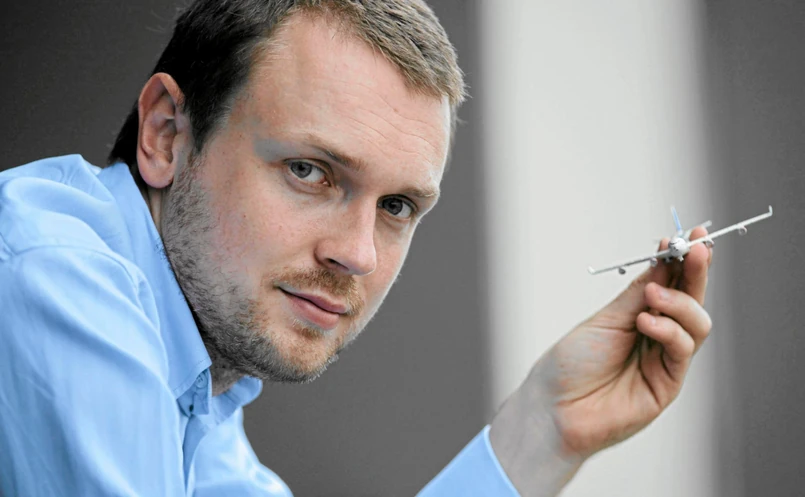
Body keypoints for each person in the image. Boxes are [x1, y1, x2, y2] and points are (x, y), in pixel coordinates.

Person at [0, 0, 713, 495]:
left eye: (397, 206)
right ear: (165, 134)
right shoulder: (52, 279)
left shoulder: (199, 387)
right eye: (309, 171)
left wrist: (544, 428)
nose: (359, 254)